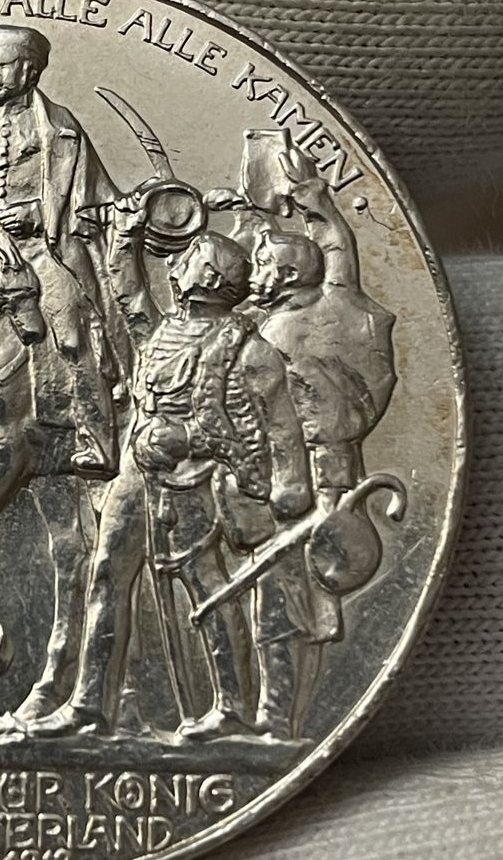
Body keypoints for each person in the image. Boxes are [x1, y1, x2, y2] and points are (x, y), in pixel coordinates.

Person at [36, 200, 311, 739]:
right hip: (137, 476)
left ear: (206, 278)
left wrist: (191, 439)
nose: (173, 266)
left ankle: (231, 707)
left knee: (206, 587)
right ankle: (89, 701)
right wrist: (126, 232)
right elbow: (125, 289)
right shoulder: (160, 331)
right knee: (106, 573)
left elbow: (278, 432)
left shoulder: (251, 353)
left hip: (197, 481)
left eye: (184, 259)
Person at [211, 144, 397, 739]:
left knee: (284, 601)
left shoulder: (277, 332)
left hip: (305, 483)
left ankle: (276, 716)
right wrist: (316, 203)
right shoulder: (338, 302)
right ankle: (271, 711)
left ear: (288, 276)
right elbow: (339, 253)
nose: (252, 273)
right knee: (284, 597)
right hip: (304, 477)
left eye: (262, 265)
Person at [0, 23, 120, 476]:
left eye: (2, 67)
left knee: (72, 334)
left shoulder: (60, 129)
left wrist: (37, 213)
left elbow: (91, 201)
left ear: (29, 72)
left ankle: (97, 441)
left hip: (42, 251)